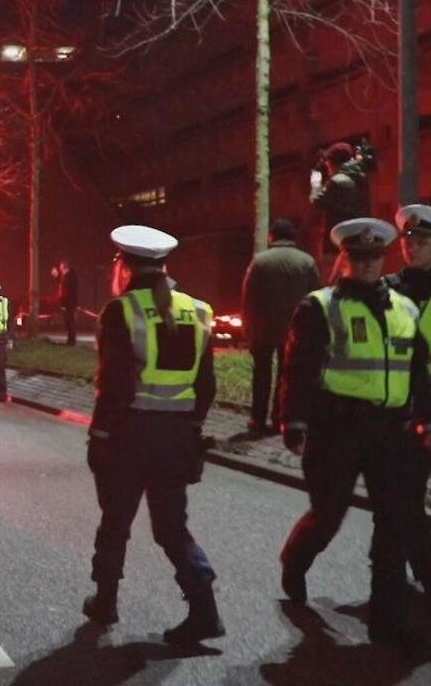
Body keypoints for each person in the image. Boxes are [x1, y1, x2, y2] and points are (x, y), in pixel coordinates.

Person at [278, 217, 431, 649]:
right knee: (328, 515)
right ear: (344, 259)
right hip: (337, 430)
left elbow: (417, 372)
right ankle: (296, 559)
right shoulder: (320, 306)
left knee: (394, 522)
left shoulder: (404, 307)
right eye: (359, 256)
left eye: (374, 257)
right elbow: (298, 369)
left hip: (390, 432)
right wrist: (293, 421)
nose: (368, 264)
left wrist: (430, 418)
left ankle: (388, 618)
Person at [82, 225, 223, 644]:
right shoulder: (198, 310)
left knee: (116, 523)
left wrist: (100, 435)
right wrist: (191, 426)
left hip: (129, 436)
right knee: (171, 528)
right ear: (165, 265)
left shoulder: (121, 311)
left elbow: (116, 385)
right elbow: (207, 384)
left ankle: (105, 602)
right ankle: (204, 610)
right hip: (177, 437)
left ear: (124, 265)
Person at [385, 204, 431, 612]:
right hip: (394, 413)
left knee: (403, 497)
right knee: (400, 497)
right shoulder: (385, 290)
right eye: (409, 238)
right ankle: (413, 579)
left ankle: (427, 581)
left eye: (423, 240)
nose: (414, 246)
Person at [240, 218, 320, 435]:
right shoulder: (307, 261)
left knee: (261, 375)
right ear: (293, 237)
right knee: (288, 375)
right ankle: (280, 419)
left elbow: (249, 296)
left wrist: (248, 327)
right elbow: (316, 296)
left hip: (263, 329)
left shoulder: (260, 261)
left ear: (271, 237)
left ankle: (257, 419)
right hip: (295, 330)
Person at [311, 142, 372, 261]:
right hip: (360, 239)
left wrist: (316, 184)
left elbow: (318, 201)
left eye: (328, 165)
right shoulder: (361, 178)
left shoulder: (337, 181)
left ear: (334, 163)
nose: (328, 169)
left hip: (339, 241)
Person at [57, 260, 80, 345]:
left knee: (69, 321)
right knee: (69, 321)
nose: (60, 269)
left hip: (69, 304)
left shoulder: (68, 277)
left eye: (61, 267)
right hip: (70, 303)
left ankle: (71, 340)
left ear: (64, 267)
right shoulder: (68, 276)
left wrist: (64, 303)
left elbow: (66, 292)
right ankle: (70, 339)